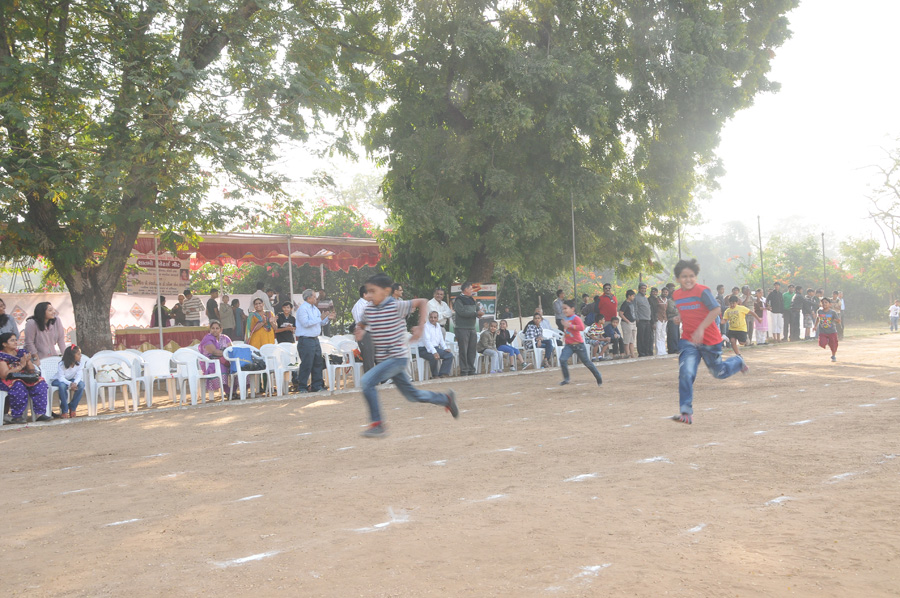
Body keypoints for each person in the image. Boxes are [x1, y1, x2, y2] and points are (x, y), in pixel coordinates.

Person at [354, 273, 458, 438]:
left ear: (386, 291)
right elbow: (362, 323)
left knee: (367, 381)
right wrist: (359, 330)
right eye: (368, 292)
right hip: (386, 360)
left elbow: (422, 302)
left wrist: (421, 327)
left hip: (397, 358)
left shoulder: (396, 306)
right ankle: (446, 399)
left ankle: (378, 424)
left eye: (373, 291)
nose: (370, 295)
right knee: (412, 395)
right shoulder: (369, 310)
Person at [672, 259, 747, 425]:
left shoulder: (702, 291)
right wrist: (679, 318)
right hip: (689, 340)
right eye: (684, 276)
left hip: (709, 340)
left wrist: (701, 328)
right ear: (678, 279)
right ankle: (686, 412)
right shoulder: (676, 295)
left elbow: (716, 309)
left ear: (696, 276)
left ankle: (738, 361)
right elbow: (687, 311)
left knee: (718, 372)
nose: (688, 279)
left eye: (691, 276)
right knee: (686, 373)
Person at [0, 332, 52, 424]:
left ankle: (40, 414)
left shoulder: (21, 353)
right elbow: (4, 375)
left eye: (16, 340)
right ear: (4, 344)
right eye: (12, 340)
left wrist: (27, 361)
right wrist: (20, 366)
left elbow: (31, 370)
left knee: (40, 383)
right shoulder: (2, 356)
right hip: (7, 380)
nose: (15, 342)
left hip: (24, 378)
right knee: (18, 385)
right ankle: (17, 416)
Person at [558, 300, 603, 386]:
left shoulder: (576, 318)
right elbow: (567, 330)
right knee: (562, 359)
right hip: (569, 345)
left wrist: (570, 325)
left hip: (579, 345)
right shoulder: (565, 319)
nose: (564, 310)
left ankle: (598, 376)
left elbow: (581, 327)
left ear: (572, 309)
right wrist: (565, 335)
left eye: (565, 308)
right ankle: (566, 379)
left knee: (587, 362)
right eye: (563, 309)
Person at [295, 289, 331, 393]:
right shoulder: (303, 309)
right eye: (314, 296)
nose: (316, 298)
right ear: (308, 298)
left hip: (315, 339)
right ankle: (302, 387)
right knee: (307, 363)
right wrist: (320, 318)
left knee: (317, 363)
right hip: (306, 340)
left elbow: (320, 323)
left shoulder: (315, 309)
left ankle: (317, 386)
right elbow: (306, 323)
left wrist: (328, 318)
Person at [453, 282, 483, 376]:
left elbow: (477, 309)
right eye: (470, 289)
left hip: (472, 328)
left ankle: (471, 369)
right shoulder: (458, 300)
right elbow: (462, 313)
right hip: (462, 328)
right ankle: (464, 370)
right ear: (465, 290)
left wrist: (480, 313)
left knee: (472, 350)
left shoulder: (471, 299)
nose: (472, 290)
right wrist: (476, 314)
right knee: (463, 350)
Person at [199, 320, 232, 398]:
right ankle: (228, 391)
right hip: (210, 362)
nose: (215, 330)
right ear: (210, 329)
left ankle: (233, 391)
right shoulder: (207, 339)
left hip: (226, 360)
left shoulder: (225, 338)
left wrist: (227, 356)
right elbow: (214, 352)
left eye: (217, 328)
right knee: (221, 366)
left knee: (236, 366)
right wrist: (226, 354)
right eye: (213, 328)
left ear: (221, 329)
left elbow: (231, 349)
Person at [51, 344, 84, 418]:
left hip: (71, 380)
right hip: (58, 380)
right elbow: (61, 378)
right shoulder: (61, 364)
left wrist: (75, 383)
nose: (80, 356)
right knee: (62, 386)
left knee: (81, 385)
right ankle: (64, 410)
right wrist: (70, 383)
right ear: (72, 356)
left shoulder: (80, 364)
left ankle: (72, 407)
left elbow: (79, 376)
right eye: (78, 354)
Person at [418, 311, 454, 378]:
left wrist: (445, 348)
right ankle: (435, 375)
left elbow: (441, 339)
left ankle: (443, 373)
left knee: (449, 355)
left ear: (437, 319)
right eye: (431, 317)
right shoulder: (425, 327)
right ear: (429, 318)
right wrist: (434, 352)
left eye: (435, 317)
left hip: (435, 348)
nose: (433, 319)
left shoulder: (438, 326)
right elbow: (427, 341)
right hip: (424, 349)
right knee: (433, 357)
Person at [352, 285, 375, 372]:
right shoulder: (359, 306)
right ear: (365, 294)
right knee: (368, 360)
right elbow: (359, 322)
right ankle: (370, 379)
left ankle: (382, 378)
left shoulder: (371, 304)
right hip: (364, 334)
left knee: (378, 358)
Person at [816, 297, 841, 362]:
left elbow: (838, 321)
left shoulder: (833, 312)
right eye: (823, 303)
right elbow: (818, 318)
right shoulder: (819, 311)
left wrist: (837, 321)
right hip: (823, 331)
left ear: (830, 304)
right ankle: (827, 341)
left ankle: (833, 355)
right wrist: (815, 326)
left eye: (826, 302)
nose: (824, 304)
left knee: (834, 345)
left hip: (832, 331)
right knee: (822, 343)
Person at [618, 290, 637, 359]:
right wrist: (627, 321)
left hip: (633, 322)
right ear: (629, 296)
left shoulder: (632, 303)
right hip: (627, 323)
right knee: (627, 340)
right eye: (633, 296)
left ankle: (632, 354)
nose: (633, 297)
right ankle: (627, 354)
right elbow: (620, 313)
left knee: (632, 340)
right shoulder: (625, 304)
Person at [634, 283, 653, 357]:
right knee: (641, 337)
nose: (644, 290)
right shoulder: (636, 298)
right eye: (642, 288)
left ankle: (646, 351)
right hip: (641, 320)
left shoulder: (645, 298)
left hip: (647, 320)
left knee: (647, 337)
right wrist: (637, 318)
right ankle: (641, 352)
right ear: (639, 289)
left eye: (645, 289)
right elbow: (635, 309)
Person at [665, 285, 680, 354]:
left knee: (677, 335)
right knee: (673, 335)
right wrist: (677, 309)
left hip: (677, 320)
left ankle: (677, 348)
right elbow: (672, 310)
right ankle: (672, 349)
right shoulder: (669, 301)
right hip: (671, 319)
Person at [653, 287, 668, 355]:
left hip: (665, 319)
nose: (665, 293)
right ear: (661, 292)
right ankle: (658, 351)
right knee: (657, 334)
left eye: (666, 292)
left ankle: (663, 350)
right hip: (658, 319)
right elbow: (654, 309)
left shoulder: (666, 300)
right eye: (664, 292)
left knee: (663, 334)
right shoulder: (657, 299)